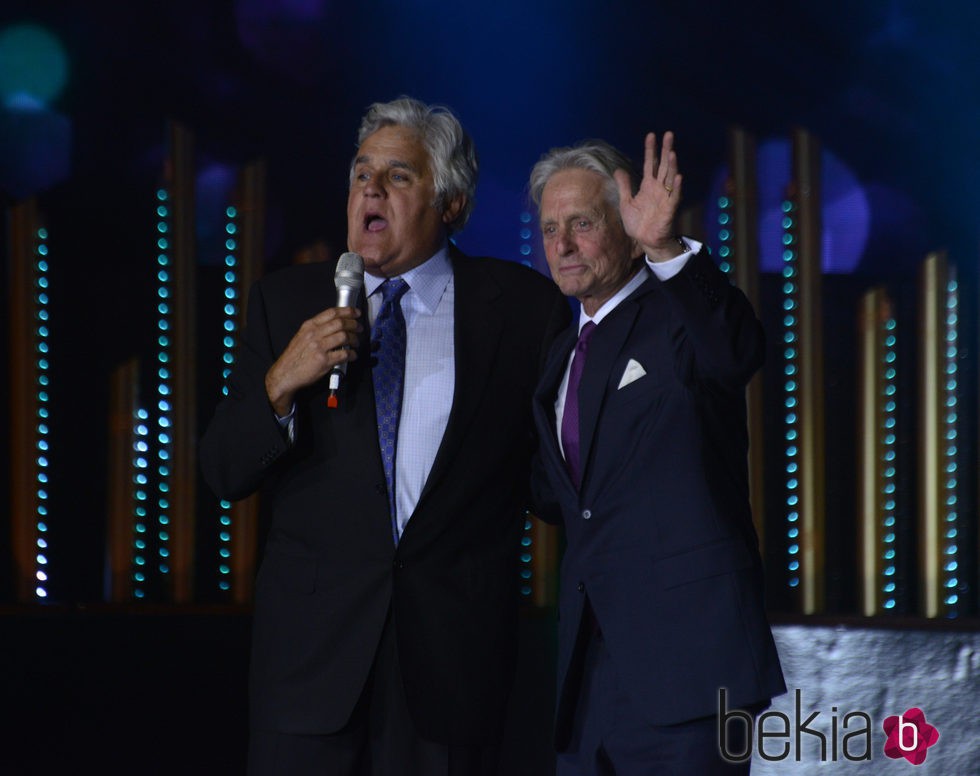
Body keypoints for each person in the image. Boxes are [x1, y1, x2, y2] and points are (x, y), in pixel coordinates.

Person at [199, 96, 571, 776]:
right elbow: (223, 469)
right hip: (310, 673)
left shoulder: (520, 309)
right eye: (361, 174)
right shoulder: (284, 303)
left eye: (398, 176)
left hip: (450, 674)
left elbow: (553, 478)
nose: (370, 189)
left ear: (451, 204)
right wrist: (281, 381)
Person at [528, 133, 786, 774]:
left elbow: (735, 353)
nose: (561, 245)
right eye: (550, 227)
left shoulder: (676, 316)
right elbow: (561, 499)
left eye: (582, 224)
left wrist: (666, 250)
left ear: (626, 224)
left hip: (693, 671)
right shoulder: (560, 355)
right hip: (589, 685)